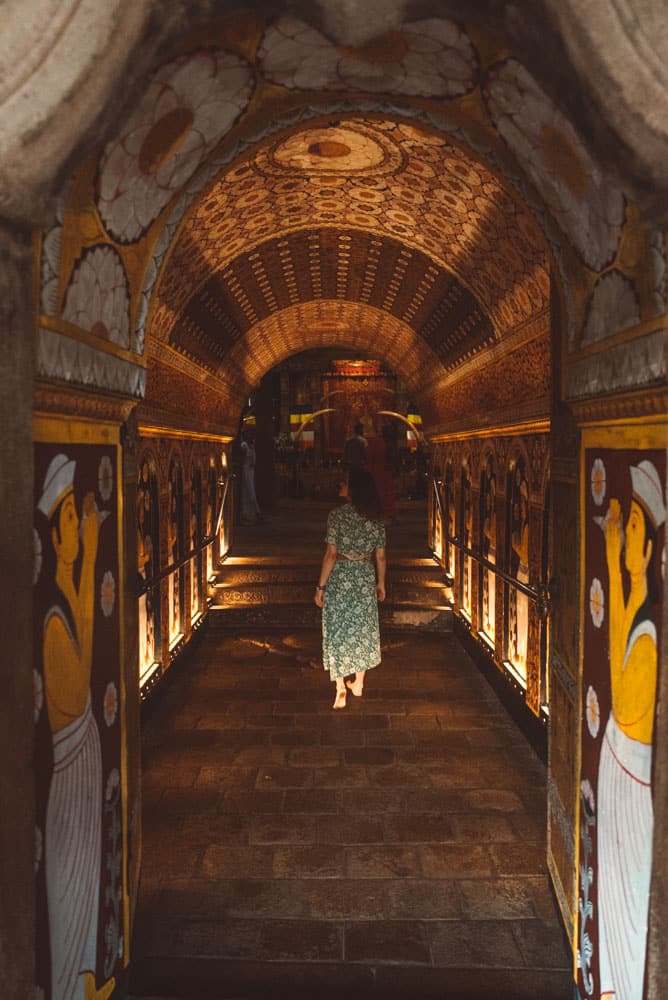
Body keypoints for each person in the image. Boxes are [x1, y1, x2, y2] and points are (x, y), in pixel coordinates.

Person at [38, 453, 114, 1000]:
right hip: (68, 773)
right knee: (70, 883)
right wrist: (90, 561)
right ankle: (71, 981)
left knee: (84, 878)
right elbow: (85, 672)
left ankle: (88, 976)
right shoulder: (49, 622)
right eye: (69, 520)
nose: (78, 527)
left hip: (84, 758)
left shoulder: (64, 602)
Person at [598, 459, 664, 1000]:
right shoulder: (638, 615)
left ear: (648, 551)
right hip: (616, 762)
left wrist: (614, 567)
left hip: (629, 776)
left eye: (634, 533)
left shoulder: (648, 639)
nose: (626, 540)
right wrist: (610, 559)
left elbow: (621, 698)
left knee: (626, 903)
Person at [314, 465, 387, 709]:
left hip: (340, 577)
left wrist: (320, 587)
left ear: (354, 489)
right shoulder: (376, 518)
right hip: (364, 575)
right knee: (362, 628)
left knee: (336, 628)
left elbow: (331, 554)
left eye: (345, 482)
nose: (341, 485)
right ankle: (359, 682)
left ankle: (339, 688)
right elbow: (381, 557)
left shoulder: (336, 515)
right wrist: (381, 582)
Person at [365, 423, 396, 523]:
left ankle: (380, 515)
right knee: (384, 494)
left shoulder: (373, 442)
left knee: (380, 494)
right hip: (381, 472)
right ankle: (384, 515)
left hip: (376, 472)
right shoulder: (380, 442)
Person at [240, 428, 261, 524]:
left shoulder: (252, 446)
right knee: (247, 490)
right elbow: (243, 457)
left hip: (250, 470)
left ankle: (254, 512)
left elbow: (254, 460)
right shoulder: (244, 445)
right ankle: (248, 512)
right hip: (245, 469)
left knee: (251, 490)